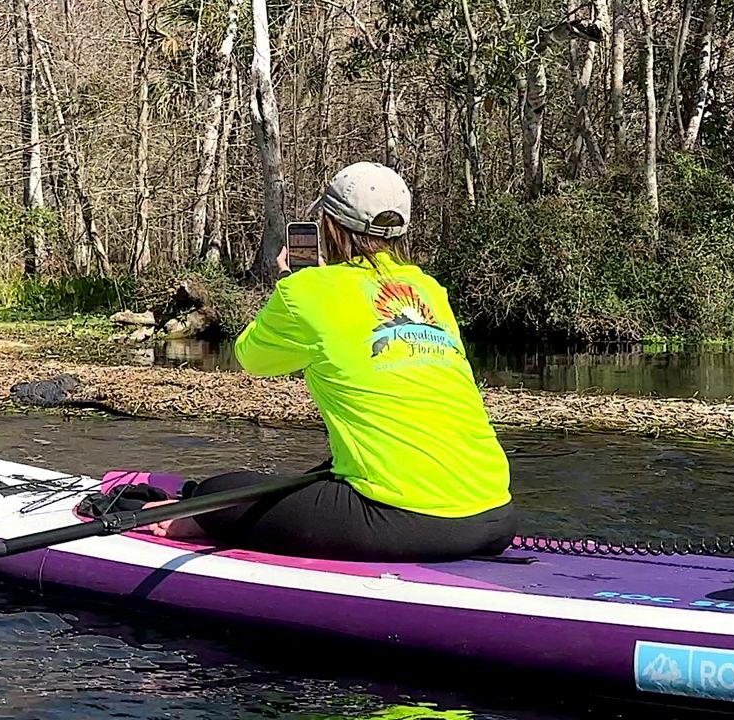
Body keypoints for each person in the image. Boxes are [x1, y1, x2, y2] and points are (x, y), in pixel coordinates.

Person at [143, 161, 517, 562]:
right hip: (496, 516)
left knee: (215, 493)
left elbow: (252, 358)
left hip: (403, 519)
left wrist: (291, 286)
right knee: (325, 471)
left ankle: (197, 521)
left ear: (328, 224)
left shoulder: (306, 289)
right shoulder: (430, 291)